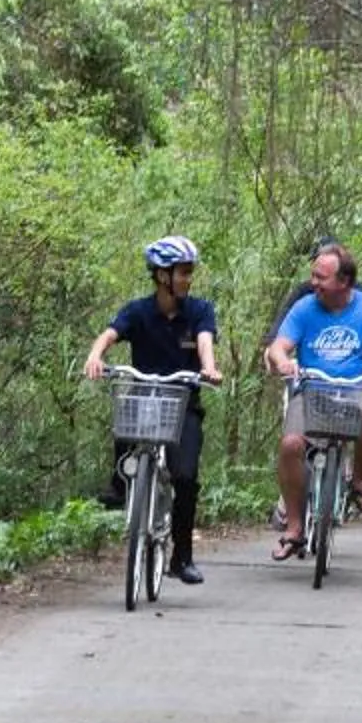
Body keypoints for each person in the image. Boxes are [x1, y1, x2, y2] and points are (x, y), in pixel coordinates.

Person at [81, 235, 222, 585]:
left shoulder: (199, 311)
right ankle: (121, 486)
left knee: (186, 478)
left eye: (190, 272)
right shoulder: (138, 311)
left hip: (182, 401)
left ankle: (182, 557)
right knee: (125, 413)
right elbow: (110, 333)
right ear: (163, 276)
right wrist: (95, 356)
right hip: (145, 400)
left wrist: (209, 367)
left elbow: (205, 341)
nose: (189, 278)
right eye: (183, 272)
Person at [263, 243, 362, 560]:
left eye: (321, 277)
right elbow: (279, 345)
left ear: (344, 282)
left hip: (357, 390)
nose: (313, 282)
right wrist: (282, 360)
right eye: (313, 275)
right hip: (312, 389)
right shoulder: (304, 307)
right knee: (290, 445)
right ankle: (295, 527)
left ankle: (357, 477)